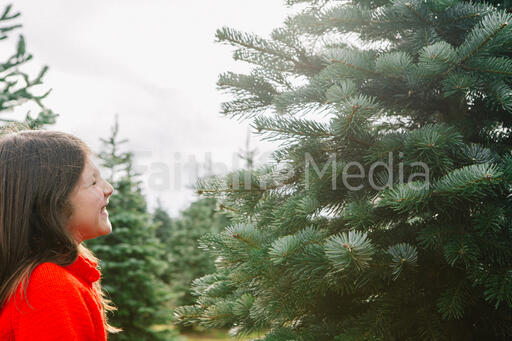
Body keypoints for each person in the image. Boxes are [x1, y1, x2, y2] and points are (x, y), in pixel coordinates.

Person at [0, 129, 121, 340]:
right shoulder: (49, 287)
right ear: (52, 203)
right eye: (93, 182)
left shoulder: (51, 278)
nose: (108, 188)